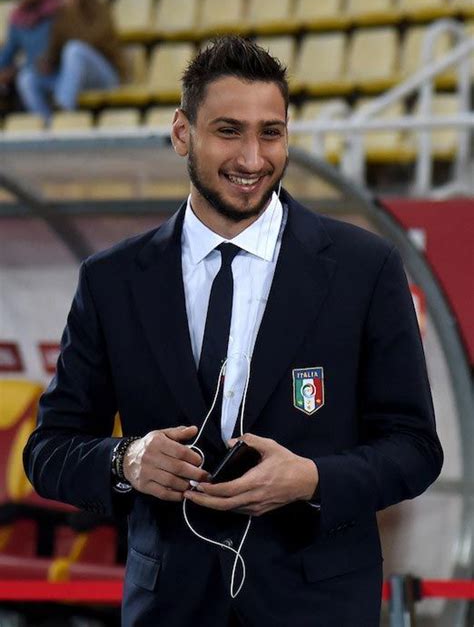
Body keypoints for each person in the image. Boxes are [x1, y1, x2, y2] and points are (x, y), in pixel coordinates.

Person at [23, 36, 443, 627]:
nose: (252, 158)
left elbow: (416, 449)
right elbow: (49, 450)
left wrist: (312, 478)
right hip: (170, 608)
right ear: (181, 133)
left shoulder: (364, 268)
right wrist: (126, 459)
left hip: (317, 608)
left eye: (271, 132)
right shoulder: (113, 280)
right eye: (228, 130)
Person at [17, 0, 124, 123]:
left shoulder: (100, 9)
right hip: (72, 78)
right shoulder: (61, 14)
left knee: (74, 50)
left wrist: (73, 13)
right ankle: (48, 124)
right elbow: (55, 48)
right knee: (27, 77)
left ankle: (64, 109)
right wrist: (47, 61)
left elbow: (91, 41)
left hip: (105, 76)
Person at [0, 0, 59, 112]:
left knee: (25, 77)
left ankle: (61, 116)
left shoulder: (58, 12)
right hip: (36, 74)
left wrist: (17, 69)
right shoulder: (18, 20)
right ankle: (45, 124)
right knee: (25, 78)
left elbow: (66, 47)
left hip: (61, 72)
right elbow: (7, 55)